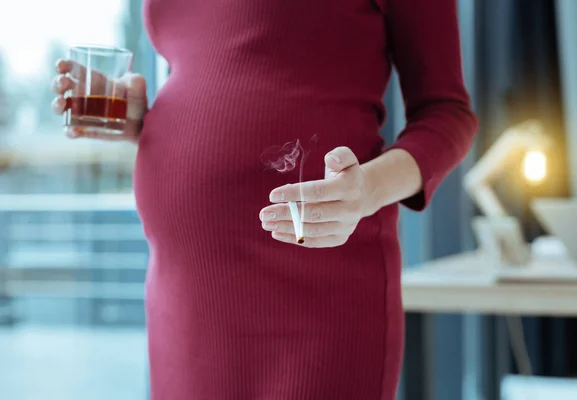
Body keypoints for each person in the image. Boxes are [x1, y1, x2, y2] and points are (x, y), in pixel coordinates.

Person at [51, 0, 477, 398]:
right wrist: (143, 118)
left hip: (315, 293)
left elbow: (447, 113)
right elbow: (218, 73)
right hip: (184, 296)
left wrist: (368, 191)